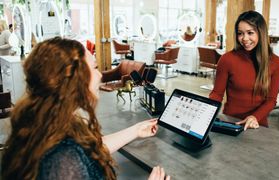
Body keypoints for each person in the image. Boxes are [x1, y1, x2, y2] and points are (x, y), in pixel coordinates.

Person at [1, 37, 170, 180]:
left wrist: (135, 130)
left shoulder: (44, 123)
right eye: (95, 68)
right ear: (74, 79)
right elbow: (75, 155)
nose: (100, 75)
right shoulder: (63, 160)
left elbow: (90, 150)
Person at [209, 11, 279, 130]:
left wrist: (254, 117)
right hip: (230, 122)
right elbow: (217, 94)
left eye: (250, 33)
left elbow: (271, 100)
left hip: (257, 125)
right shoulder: (227, 59)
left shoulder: (276, 62)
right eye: (240, 33)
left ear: (261, 33)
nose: (244, 39)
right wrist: (206, 112)